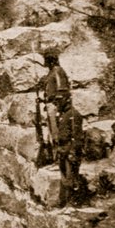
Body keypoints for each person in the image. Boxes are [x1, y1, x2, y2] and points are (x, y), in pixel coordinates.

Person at [38, 52, 82, 192]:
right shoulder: (52, 72)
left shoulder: (58, 71)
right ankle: (56, 158)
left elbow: (63, 90)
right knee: (52, 132)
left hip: (54, 105)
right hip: (51, 103)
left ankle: (59, 159)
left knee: (56, 133)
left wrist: (56, 101)